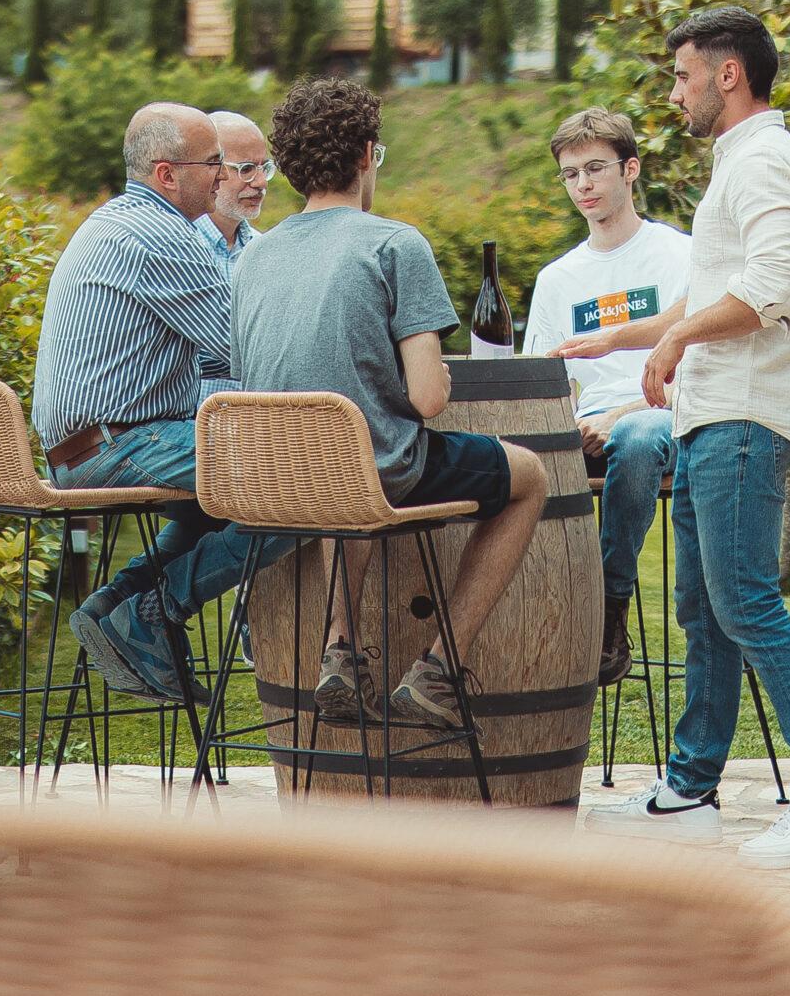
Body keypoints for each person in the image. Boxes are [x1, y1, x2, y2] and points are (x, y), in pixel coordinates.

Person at [570, 5, 790, 867]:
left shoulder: (766, 161)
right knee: (704, 611)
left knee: (743, 600)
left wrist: (673, 341)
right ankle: (689, 791)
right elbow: (715, 293)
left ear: (727, 73)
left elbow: (773, 286)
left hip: (745, 415)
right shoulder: (742, 163)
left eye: (682, 75)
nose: (674, 93)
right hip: (713, 415)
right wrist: (627, 337)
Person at [231, 78, 548, 729]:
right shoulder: (394, 244)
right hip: (370, 474)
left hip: (273, 481)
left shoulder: (252, 258)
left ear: (289, 166)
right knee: (531, 478)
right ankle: (438, 669)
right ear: (367, 155)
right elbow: (429, 399)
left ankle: (340, 651)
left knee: (346, 479)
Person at [35, 102, 265, 705]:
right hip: (115, 445)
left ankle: (117, 604)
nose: (225, 176)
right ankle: (153, 613)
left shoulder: (118, 221)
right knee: (304, 485)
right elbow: (245, 348)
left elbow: (215, 361)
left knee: (217, 504)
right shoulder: (160, 236)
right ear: (167, 174)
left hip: (91, 442)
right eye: (213, 162)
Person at [522, 108, 692, 687]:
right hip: (585, 434)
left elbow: (693, 367)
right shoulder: (558, 278)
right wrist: (568, 425)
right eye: (570, 175)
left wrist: (622, 413)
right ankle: (527, 626)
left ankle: (606, 606)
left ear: (631, 170)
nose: (583, 185)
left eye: (595, 169)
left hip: (661, 419)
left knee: (638, 435)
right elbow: (543, 383)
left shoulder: (678, 255)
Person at [192, 110, 272, 276]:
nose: (261, 182)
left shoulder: (264, 249)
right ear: (208, 169)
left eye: (265, 168)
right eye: (246, 169)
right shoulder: (177, 245)